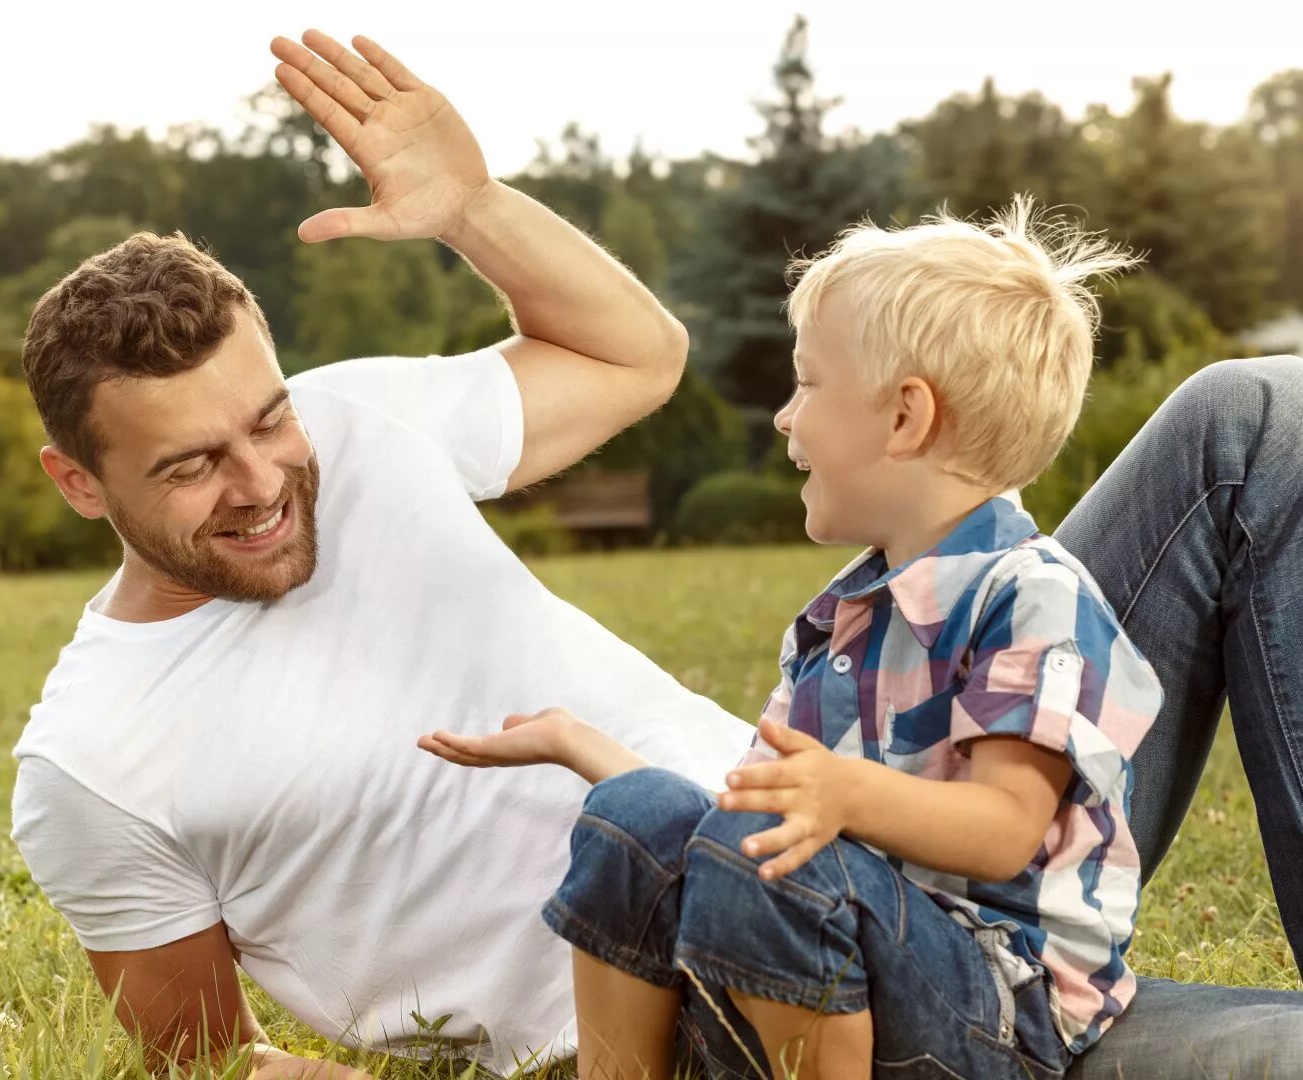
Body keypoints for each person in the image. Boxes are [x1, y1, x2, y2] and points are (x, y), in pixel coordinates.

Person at [8, 27, 1303, 1079]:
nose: (264, 484)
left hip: (896, 841)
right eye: (190, 466)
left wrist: (471, 207)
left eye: (267, 417)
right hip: (709, 1013)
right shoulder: (96, 762)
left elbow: (635, 356)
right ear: (77, 483)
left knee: (1252, 424)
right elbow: (204, 1058)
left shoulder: (356, 429)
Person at [423, 203, 1152, 1078]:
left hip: (999, 1010)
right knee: (635, 817)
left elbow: (1003, 831)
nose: (782, 417)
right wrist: (590, 751)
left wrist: (843, 792)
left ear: (905, 419)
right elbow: (741, 821)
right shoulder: (841, 620)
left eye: (806, 383)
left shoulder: (1032, 595)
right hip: (840, 966)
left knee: (765, 839)